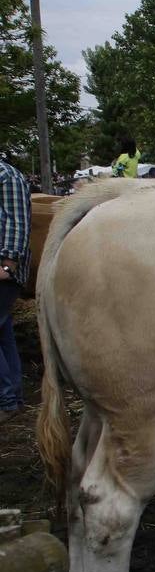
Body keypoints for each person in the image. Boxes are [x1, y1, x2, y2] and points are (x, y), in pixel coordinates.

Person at [0, 160, 30, 423]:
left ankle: (6, 400)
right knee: (3, 333)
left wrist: (8, 265)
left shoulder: (7, 176)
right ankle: (13, 398)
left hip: (3, 269)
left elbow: (17, 223)